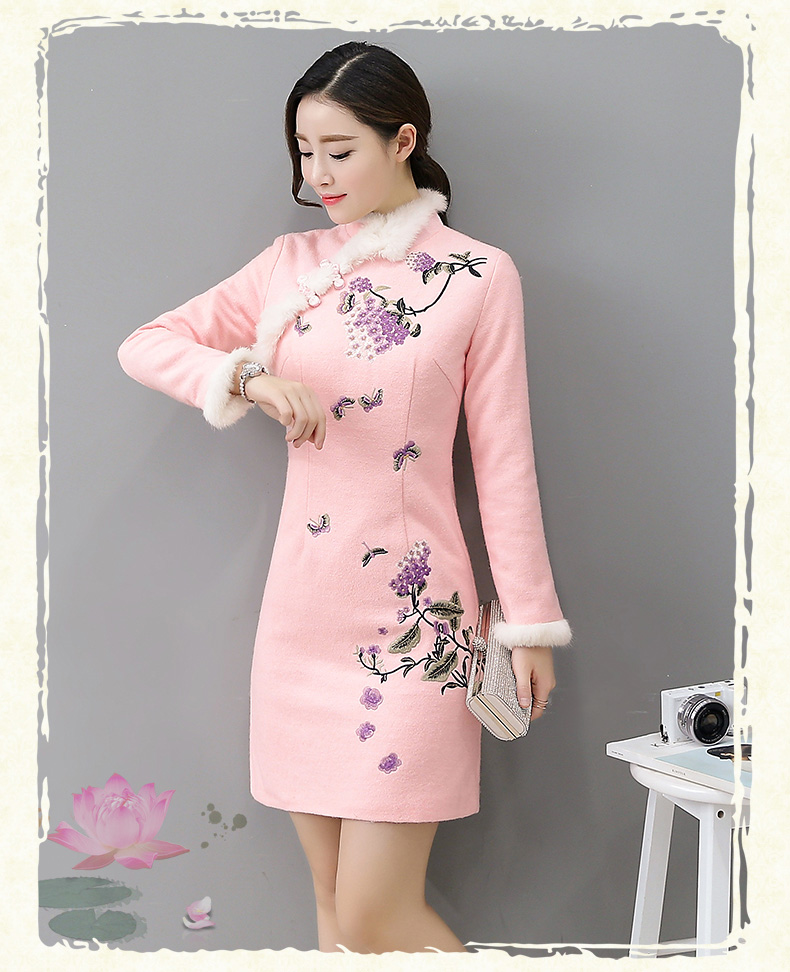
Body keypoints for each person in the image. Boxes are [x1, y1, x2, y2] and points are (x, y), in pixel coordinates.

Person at [117, 40, 573, 955]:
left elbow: (504, 464)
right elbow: (147, 343)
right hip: (302, 620)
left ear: (403, 141)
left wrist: (528, 624)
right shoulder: (290, 265)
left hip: (417, 623)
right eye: (304, 152)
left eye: (339, 150)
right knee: (333, 918)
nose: (316, 175)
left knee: (374, 914)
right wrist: (246, 378)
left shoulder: (478, 276)